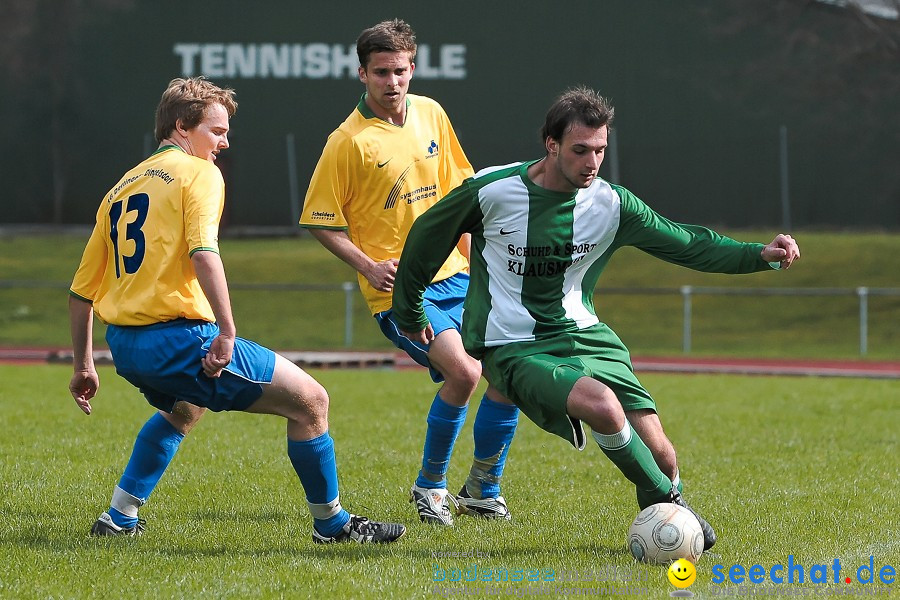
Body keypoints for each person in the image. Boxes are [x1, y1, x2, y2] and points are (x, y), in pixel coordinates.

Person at [392, 86, 802, 550]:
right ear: (551, 145)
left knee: (663, 455)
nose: (591, 161)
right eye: (580, 149)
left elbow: (687, 243)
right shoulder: (493, 191)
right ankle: (672, 508)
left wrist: (759, 256)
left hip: (588, 337)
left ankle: (664, 508)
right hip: (512, 345)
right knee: (602, 407)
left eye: (600, 150)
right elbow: (427, 235)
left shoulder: (612, 204)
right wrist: (408, 309)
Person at [68, 77, 405, 544]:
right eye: (217, 130)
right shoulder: (199, 173)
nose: (225, 143)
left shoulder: (120, 188)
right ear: (183, 128)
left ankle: (118, 518)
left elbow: (82, 292)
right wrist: (226, 332)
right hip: (179, 339)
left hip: (126, 347)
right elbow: (204, 253)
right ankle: (334, 526)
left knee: (184, 410)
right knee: (312, 403)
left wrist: (84, 364)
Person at [299, 19, 519, 526]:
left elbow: (463, 197)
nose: (392, 82)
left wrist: (480, 266)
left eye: (400, 71)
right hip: (400, 293)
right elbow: (319, 221)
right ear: (361, 74)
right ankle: (431, 486)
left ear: (413, 69)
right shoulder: (347, 142)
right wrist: (368, 266)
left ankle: (484, 487)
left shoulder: (432, 114)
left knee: (509, 370)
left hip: (459, 276)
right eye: (380, 73)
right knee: (465, 372)